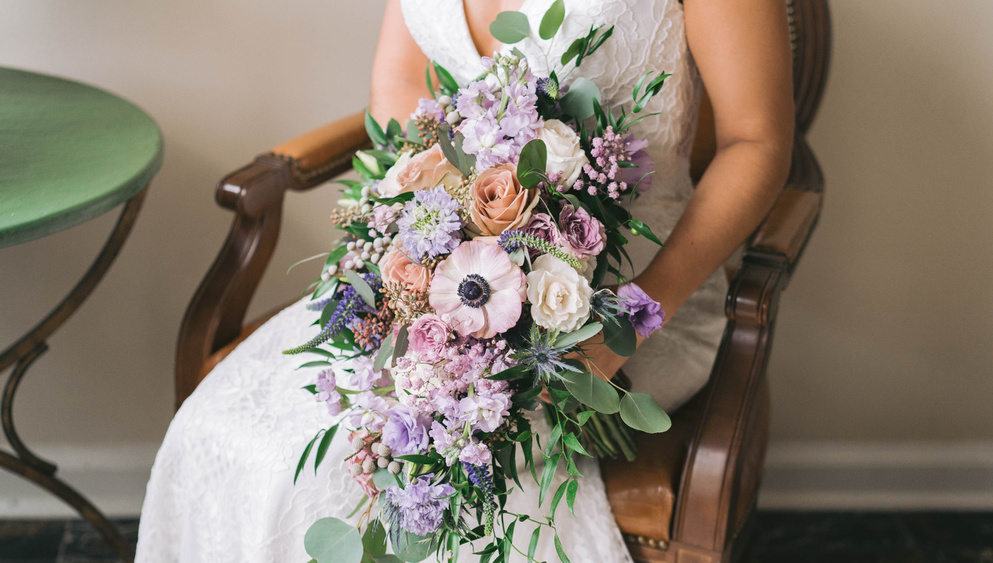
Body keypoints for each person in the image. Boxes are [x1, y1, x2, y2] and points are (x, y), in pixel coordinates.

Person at [136, 1, 793, 561]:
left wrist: (629, 319)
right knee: (226, 433)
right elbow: (400, 88)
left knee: (376, 471)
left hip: (634, 300)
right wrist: (426, 244)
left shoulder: (635, 309)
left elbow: (756, 140)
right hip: (445, 282)